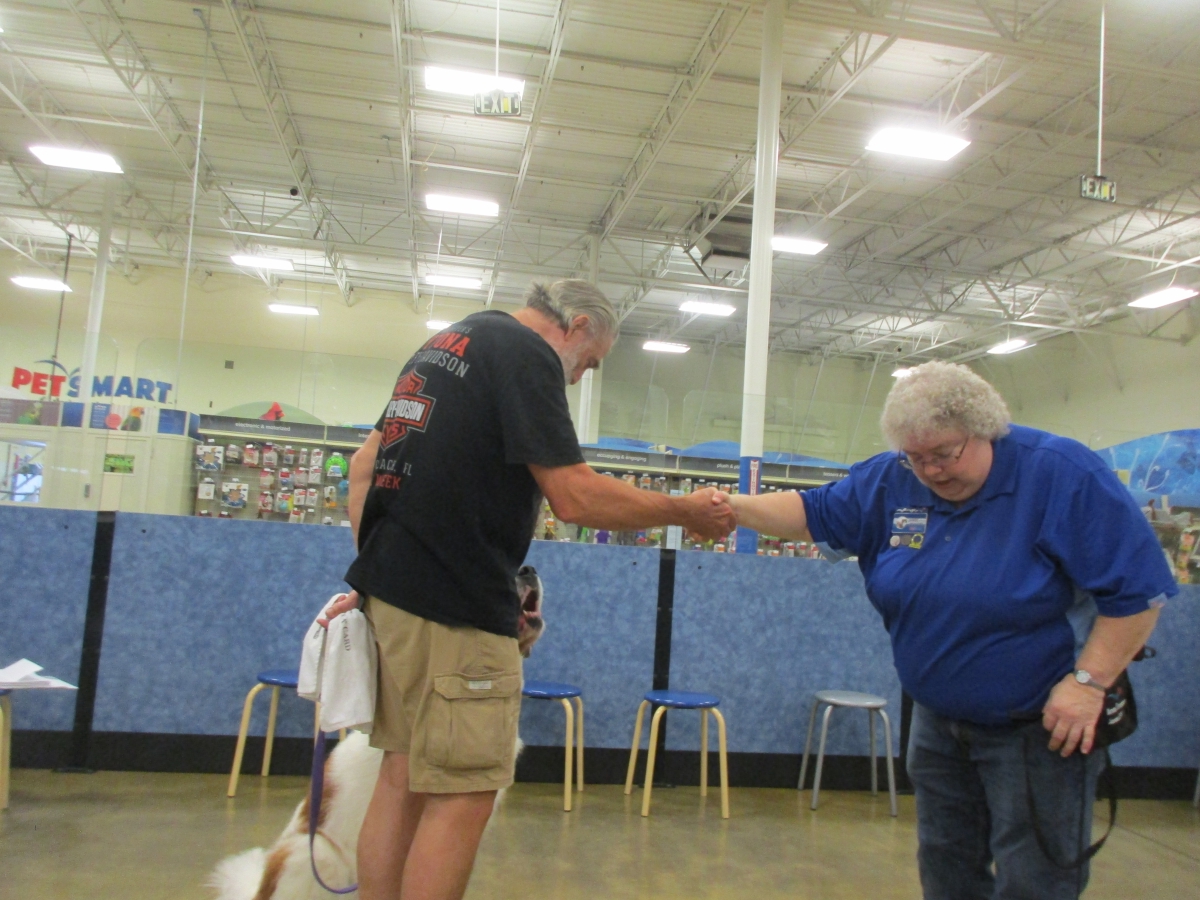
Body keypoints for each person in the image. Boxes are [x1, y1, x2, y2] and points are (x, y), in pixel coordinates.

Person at [321, 279, 736, 900]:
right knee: (464, 794)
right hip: (458, 611)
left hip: (395, 603)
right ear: (577, 327)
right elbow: (574, 497)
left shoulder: (446, 343)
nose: (579, 377)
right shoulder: (527, 354)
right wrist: (682, 510)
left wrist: (380, 572)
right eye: (589, 363)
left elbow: (362, 468)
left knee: (400, 777)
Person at [723, 360, 1175, 900]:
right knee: (945, 866)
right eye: (915, 458)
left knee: (1035, 877)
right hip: (938, 722)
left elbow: (1139, 594)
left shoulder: (1061, 474)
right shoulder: (892, 478)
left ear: (985, 430)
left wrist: (1089, 683)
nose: (931, 471)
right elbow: (809, 511)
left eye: (944, 454)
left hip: (1039, 727)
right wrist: (730, 508)